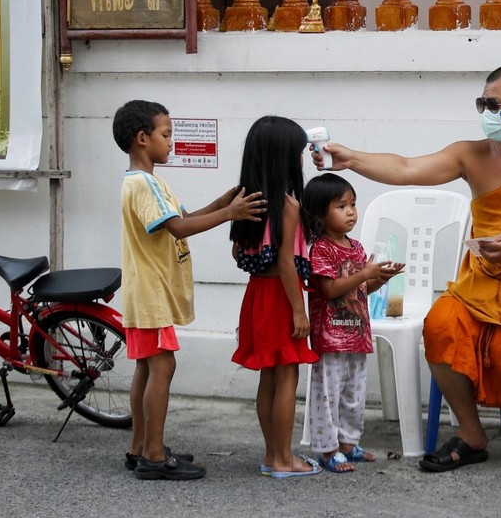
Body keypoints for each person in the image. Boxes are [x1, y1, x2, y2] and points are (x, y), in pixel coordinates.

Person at [314, 65, 501, 477]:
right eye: (481, 103)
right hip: (483, 279)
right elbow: (405, 167)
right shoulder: (471, 155)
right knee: (441, 324)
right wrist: (352, 159)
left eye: (494, 105)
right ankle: (471, 434)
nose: (485, 112)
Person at [112, 99, 266, 481]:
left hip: (145, 292)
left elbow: (182, 219)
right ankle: (153, 454)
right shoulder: (143, 184)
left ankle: (139, 447)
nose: (172, 142)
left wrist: (223, 202)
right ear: (142, 138)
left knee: (147, 369)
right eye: (166, 135)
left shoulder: (146, 181)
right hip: (152, 293)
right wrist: (231, 214)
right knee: (162, 366)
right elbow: (179, 230)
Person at [230, 115, 322, 479]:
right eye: (298, 152)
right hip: (282, 298)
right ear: (283, 156)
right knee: (287, 378)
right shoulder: (288, 206)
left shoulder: (247, 201)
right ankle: (284, 458)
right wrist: (299, 311)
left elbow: (239, 254)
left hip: (256, 296)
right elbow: (287, 263)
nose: (301, 159)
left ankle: (272, 455)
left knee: (268, 377)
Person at [300, 173, 404, 472]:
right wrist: (365, 274)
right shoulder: (320, 248)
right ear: (320, 214)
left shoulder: (356, 248)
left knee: (354, 395)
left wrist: (378, 280)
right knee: (327, 395)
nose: (351, 212)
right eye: (341, 206)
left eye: (353, 204)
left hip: (356, 333)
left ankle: (348, 443)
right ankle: (328, 449)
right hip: (331, 337)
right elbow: (330, 289)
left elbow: (358, 290)